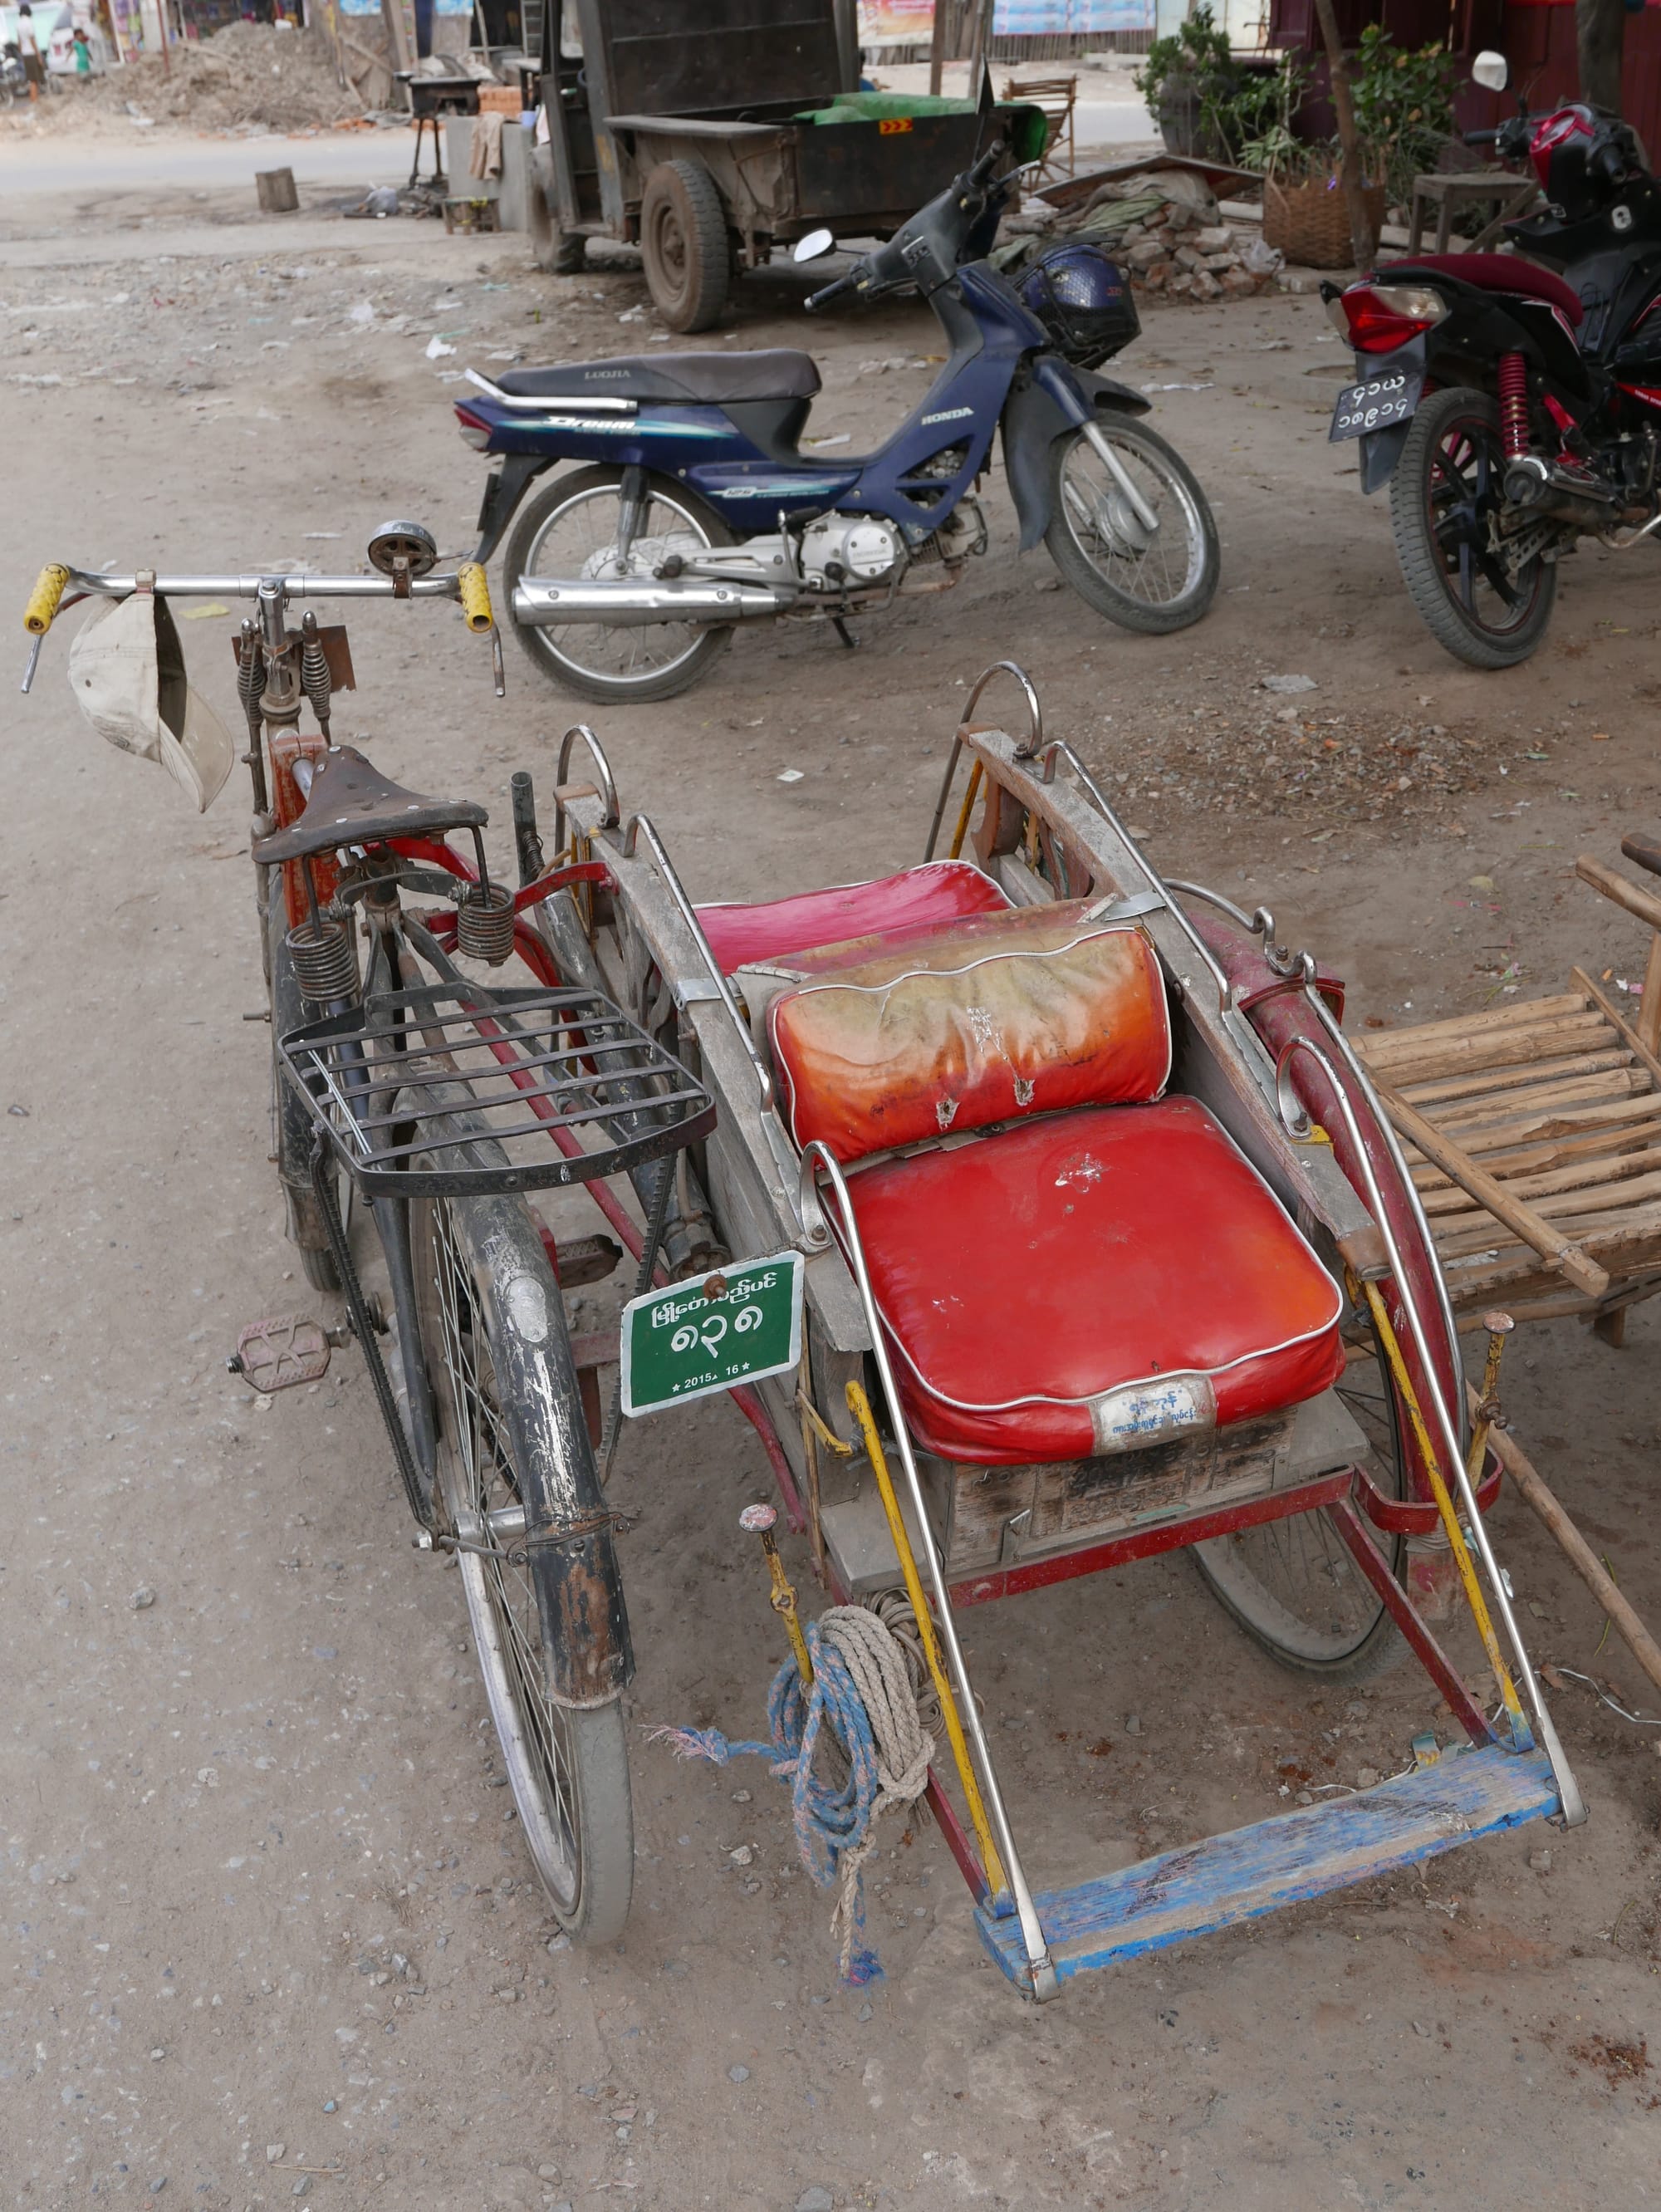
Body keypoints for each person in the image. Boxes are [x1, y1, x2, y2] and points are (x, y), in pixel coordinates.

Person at [17, 3, 45, 100]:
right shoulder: (29, 22)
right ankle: (34, 101)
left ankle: (34, 100)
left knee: (31, 79)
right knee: (34, 80)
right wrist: (38, 55)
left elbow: (19, 42)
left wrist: (21, 53)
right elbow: (32, 40)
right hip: (31, 53)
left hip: (25, 54)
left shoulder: (19, 23)